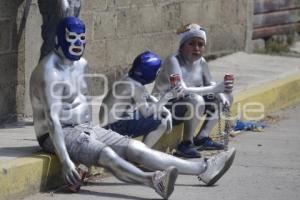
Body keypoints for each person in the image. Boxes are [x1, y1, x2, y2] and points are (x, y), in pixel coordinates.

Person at [30, 17, 236, 199]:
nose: (77, 43)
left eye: (81, 38)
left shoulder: (82, 64)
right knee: (108, 155)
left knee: (137, 148)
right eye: (71, 37)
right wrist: (66, 161)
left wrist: (90, 140)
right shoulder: (48, 70)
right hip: (58, 133)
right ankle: (153, 180)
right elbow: (52, 120)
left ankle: (204, 168)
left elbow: (83, 105)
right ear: (59, 38)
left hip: (86, 127)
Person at [152, 23, 234, 158]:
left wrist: (221, 93)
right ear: (182, 46)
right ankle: (186, 144)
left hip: (186, 104)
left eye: (200, 45)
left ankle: (202, 137)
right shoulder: (173, 60)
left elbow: (210, 83)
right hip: (164, 106)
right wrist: (215, 88)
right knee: (197, 100)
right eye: (191, 44)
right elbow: (181, 90)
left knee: (226, 96)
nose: (197, 48)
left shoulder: (201, 61)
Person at [100, 51, 180, 147]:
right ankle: (142, 154)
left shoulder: (129, 78)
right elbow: (146, 113)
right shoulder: (136, 86)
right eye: (157, 72)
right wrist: (168, 96)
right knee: (162, 121)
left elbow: (148, 97)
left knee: (157, 110)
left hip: (107, 124)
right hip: (114, 128)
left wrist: (165, 110)